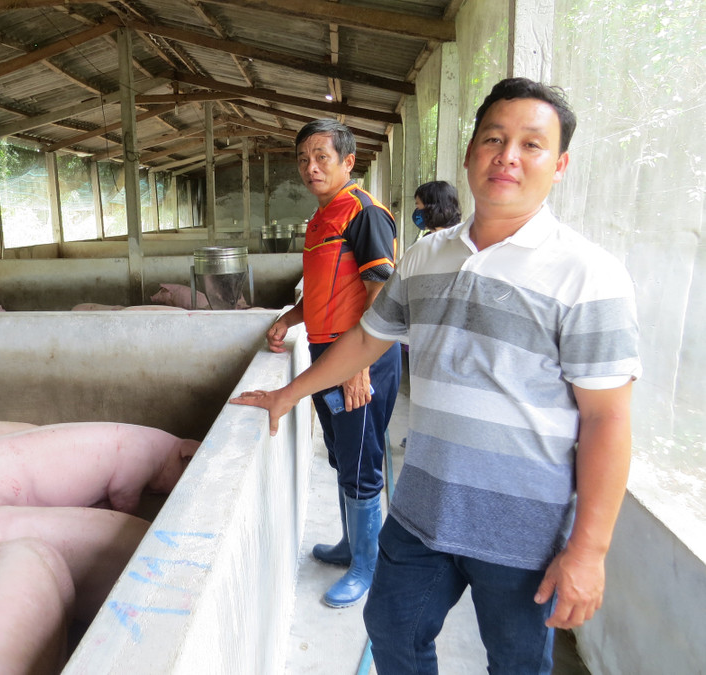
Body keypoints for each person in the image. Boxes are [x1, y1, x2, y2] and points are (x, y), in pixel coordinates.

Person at [231, 78, 641, 673]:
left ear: (560, 164)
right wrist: (287, 394)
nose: (508, 157)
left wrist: (588, 551)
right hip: (422, 509)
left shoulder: (589, 276)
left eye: (532, 144)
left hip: (520, 527)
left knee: (516, 662)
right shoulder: (427, 256)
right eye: (494, 139)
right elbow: (369, 336)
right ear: (471, 152)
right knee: (392, 633)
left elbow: (608, 419)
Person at [263, 118, 401, 609]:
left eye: (322, 156)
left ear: (349, 161)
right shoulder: (321, 218)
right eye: (303, 158)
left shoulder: (364, 213)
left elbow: (381, 293)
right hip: (330, 355)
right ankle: (351, 546)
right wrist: (291, 317)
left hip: (358, 357)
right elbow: (327, 290)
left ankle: (368, 565)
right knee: (345, 455)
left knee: (362, 462)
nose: (310, 167)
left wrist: (360, 363)